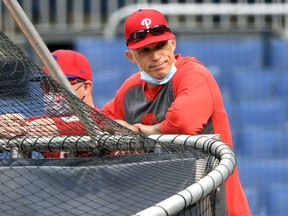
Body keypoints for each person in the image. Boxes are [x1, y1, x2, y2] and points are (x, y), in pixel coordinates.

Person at [101, 9, 251, 216]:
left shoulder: (193, 74)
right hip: (165, 204)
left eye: (161, 45)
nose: (156, 56)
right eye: (145, 50)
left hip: (218, 207)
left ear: (172, 43)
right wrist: (119, 130)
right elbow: (100, 120)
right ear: (131, 57)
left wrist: (142, 131)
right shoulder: (130, 89)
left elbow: (183, 123)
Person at [0, 49, 99, 158]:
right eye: (46, 87)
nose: (52, 93)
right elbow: (26, 124)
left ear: (85, 87)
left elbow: (41, 127)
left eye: (59, 86)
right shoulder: (46, 120)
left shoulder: (98, 121)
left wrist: (18, 128)